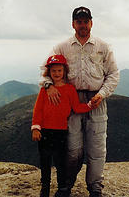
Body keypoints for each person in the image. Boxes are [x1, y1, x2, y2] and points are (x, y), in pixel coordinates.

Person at [40, 6, 119, 197]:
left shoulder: (103, 46)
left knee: (97, 148)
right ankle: (66, 185)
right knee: (72, 148)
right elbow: (44, 69)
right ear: (73, 24)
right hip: (71, 102)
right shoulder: (62, 47)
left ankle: (95, 189)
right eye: (79, 21)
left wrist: (102, 94)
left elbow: (113, 74)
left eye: (86, 21)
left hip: (96, 100)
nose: (82, 25)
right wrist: (48, 86)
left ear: (91, 22)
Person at [32, 54, 95, 197]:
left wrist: (91, 105)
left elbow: (77, 107)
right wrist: (36, 127)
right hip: (45, 132)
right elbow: (38, 109)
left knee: (61, 162)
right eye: (53, 71)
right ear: (49, 73)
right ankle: (45, 188)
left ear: (64, 71)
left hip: (61, 132)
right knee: (45, 161)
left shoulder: (70, 89)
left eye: (59, 70)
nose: (57, 74)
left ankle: (62, 188)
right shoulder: (44, 90)